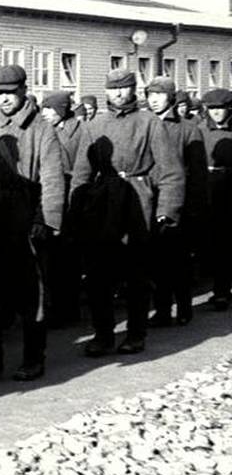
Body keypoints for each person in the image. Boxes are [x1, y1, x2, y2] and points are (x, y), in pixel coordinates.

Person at [69, 69, 184, 356]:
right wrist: (76, 208)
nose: (119, 94)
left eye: (125, 88)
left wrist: (166, 210)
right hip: (102, 204)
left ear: (134, 90)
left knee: (136, 273)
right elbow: (82, 173)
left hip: (138, 200)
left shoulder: (149, 123)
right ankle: (104, 335)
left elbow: (171, 171)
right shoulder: (94, 124)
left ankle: (135, 334)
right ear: (106, 91)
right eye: (113, 89)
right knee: (98, 275)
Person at [0, 66, 65, 384]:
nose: (4, 99)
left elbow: (51, 180)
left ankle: (34, 358)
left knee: (30, 295)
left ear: (24, 91)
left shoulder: (42, 130)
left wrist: (45, 221)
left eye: (10, 92)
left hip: (26, 218)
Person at [144, 78, 207, 326]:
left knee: (178, 260)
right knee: (156, 261)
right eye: (150, 94)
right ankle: (161, 310)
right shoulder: (144, 123)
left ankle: (183, 307)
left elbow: (197, 172)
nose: (154, 99)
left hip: (178, 203)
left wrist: (192, 208)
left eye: (160, 94)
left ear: (171, 97)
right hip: (150, 199)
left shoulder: (187, 129)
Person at [39, 90, 89, 326]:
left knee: (68, 259)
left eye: (50, 109)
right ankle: (56, 308)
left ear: (61, 110)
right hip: (51, 196)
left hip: (72, 198)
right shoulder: (45, 131)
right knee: (52, 259)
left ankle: (68, 311)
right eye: (44, 109)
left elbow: (83, 168)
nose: (45, 113)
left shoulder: (79, 131)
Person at [199, 88, 232, 311]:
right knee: (212, 243)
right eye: (212, 109)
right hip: (207, 192)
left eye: (221, 108)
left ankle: (221, 291)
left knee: (226, 242)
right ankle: (218, 287)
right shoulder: (199, 130)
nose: (217, 113)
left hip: (230, 191)